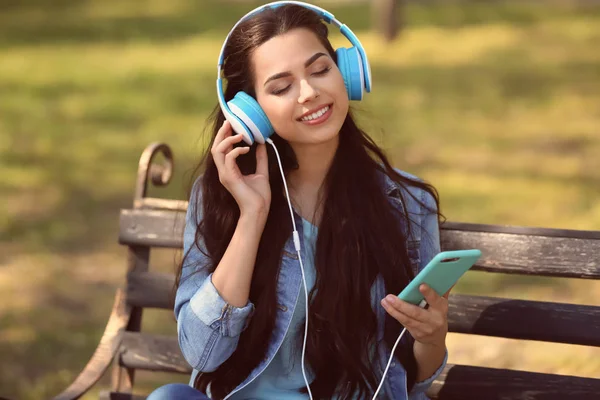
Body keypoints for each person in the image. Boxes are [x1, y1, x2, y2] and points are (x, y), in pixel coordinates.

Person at [148, 2, 449, 399]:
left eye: (320, 69)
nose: (309, 93)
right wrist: (251, 216)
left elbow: (416, 381)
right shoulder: (220, 196)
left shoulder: (406, 202)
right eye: (281, 86)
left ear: (347, 73)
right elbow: (202, 352)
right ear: (249, 112)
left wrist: (433, 338)